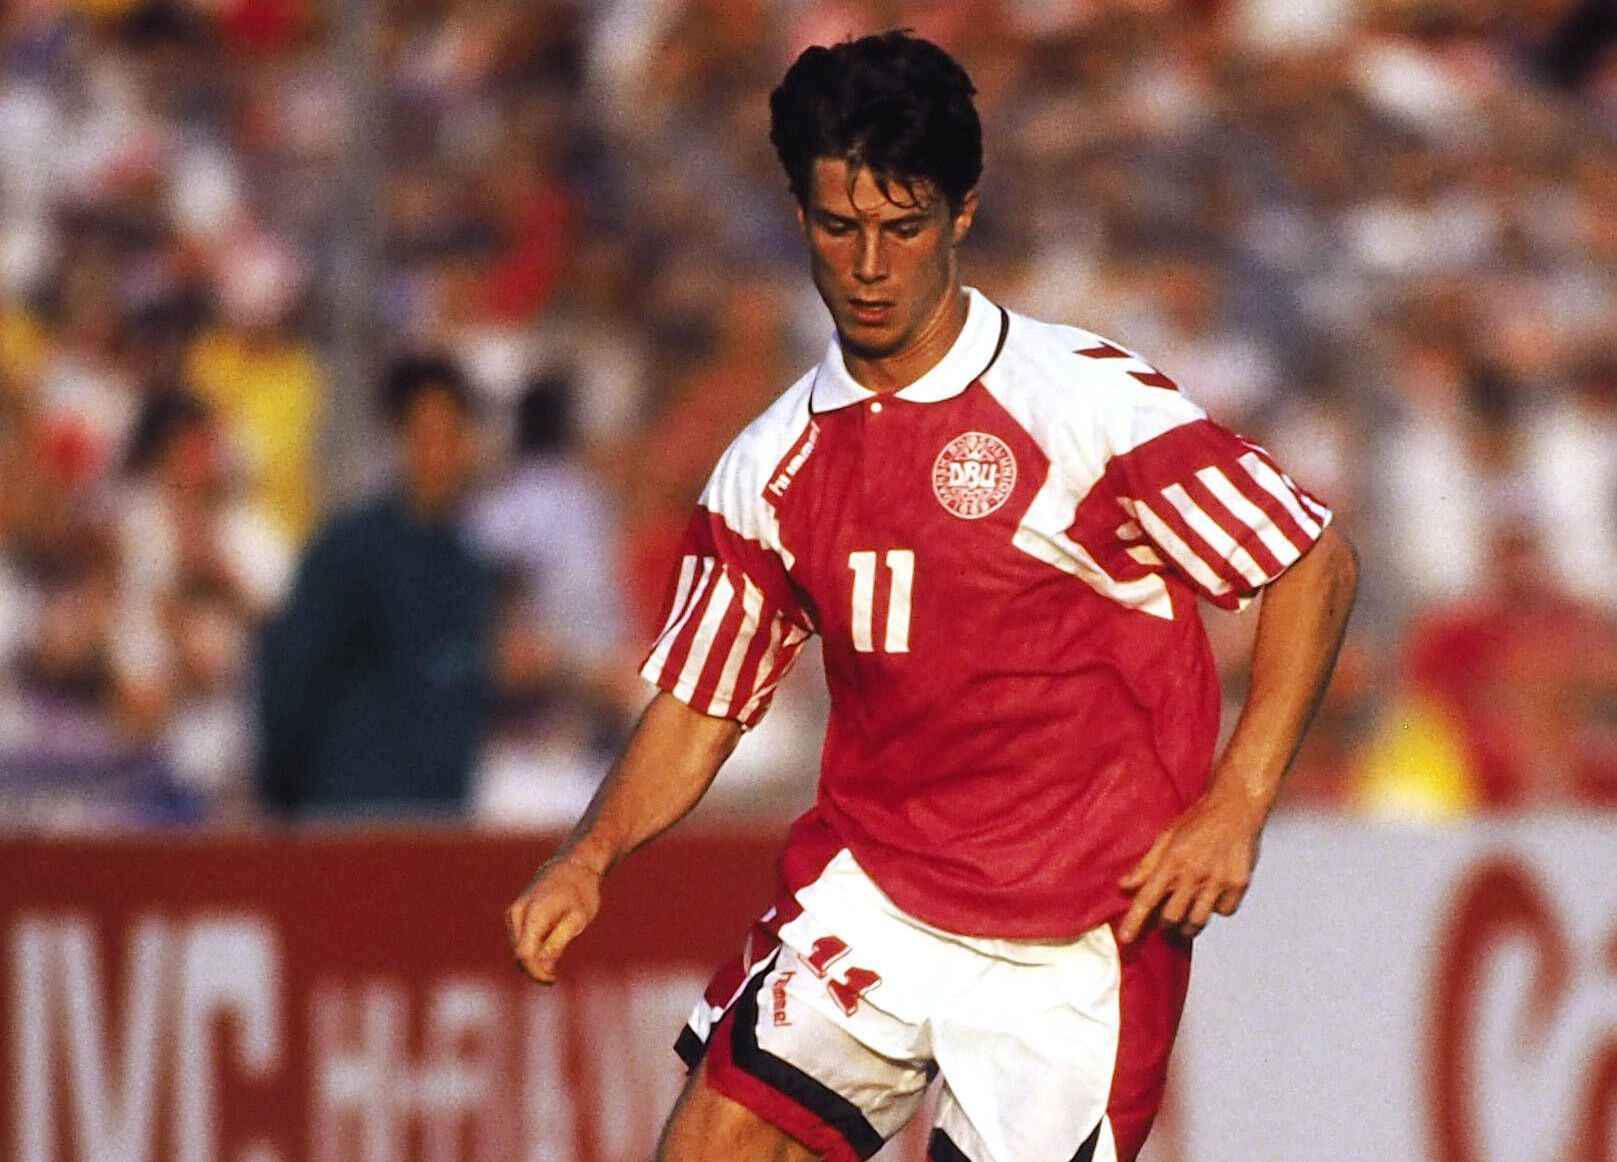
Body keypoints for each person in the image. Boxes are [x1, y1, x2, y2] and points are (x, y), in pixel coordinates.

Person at [507, 31, 1357, 1162]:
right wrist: (589, 853)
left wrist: (1236, 801)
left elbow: (1312, 563)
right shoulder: (771, 466)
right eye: (838, 225)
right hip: (876, 894)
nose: (868, 264)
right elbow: (704, 701)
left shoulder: (1084, 403)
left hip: (1082, 936)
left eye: (902, 228)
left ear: (959, 216)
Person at [259, 355, 491, 816]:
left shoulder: (468, 565)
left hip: (440, 821)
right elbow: (292, 677)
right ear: (400, 442)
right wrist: (284, 797)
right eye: (426, 437)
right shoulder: (349, 550)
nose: (440, 455)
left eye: (452, 436)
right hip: (346, 816)